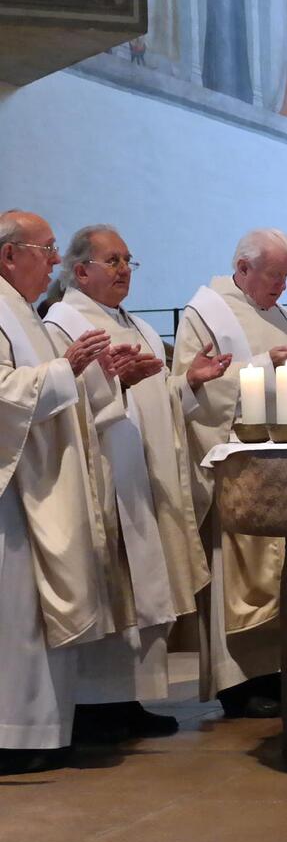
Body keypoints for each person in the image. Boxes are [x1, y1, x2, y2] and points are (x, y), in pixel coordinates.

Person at [45, 226, 223, 743]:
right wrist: (113, 384)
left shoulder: (140, 327)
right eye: (112, 260)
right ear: (80, 272)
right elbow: (63, 394)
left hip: (142, 473)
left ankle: (132, 697)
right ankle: (96, 704)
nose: (124, 269)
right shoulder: (63, 325)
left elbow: (154, 394)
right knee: (114, 584)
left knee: (146, 587)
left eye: (128, 260)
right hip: (102, 473)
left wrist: (187, 381)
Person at [172, 229, 287, 719]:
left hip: (280, 467)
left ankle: (277, 674)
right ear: (243, 268)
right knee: (237, 577)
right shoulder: (206, 311)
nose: (281, 285)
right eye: (274, 275)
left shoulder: (283, 316)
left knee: (278, 574)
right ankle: (235, 684)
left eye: (286, 276)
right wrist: (259, 365)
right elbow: (191, 385)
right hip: (235, 466)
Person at [0, 211, 109, 774]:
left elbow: (47, 385)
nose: (54, 261)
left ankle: (40, 730)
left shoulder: (27, 315)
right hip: (13, 496)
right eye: (44, 249)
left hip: (39, 483)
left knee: (33, 619)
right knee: (13, 618)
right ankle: (10, 735)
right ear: (9, 255)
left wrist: (90, 373)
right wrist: (64, 371)